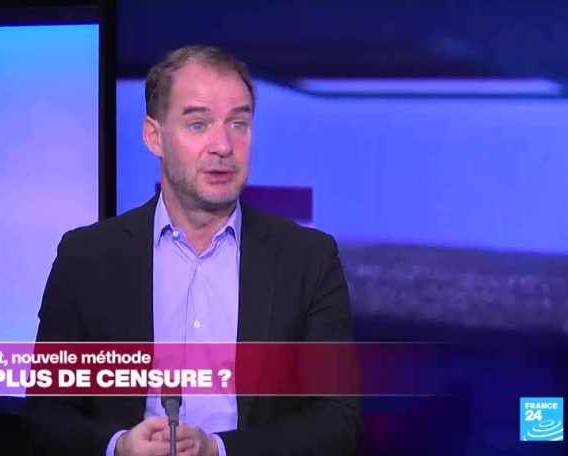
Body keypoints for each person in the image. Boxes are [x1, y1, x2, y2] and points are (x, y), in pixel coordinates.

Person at [23, 44, 362, 455]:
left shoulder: (308, 259)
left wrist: (217, 450)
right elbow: (47, 417)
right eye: (198, 124)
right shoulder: (86, 258)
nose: (223, 145)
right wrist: (119, 447)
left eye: (238, 123)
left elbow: (337, 420)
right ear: (155, 136)